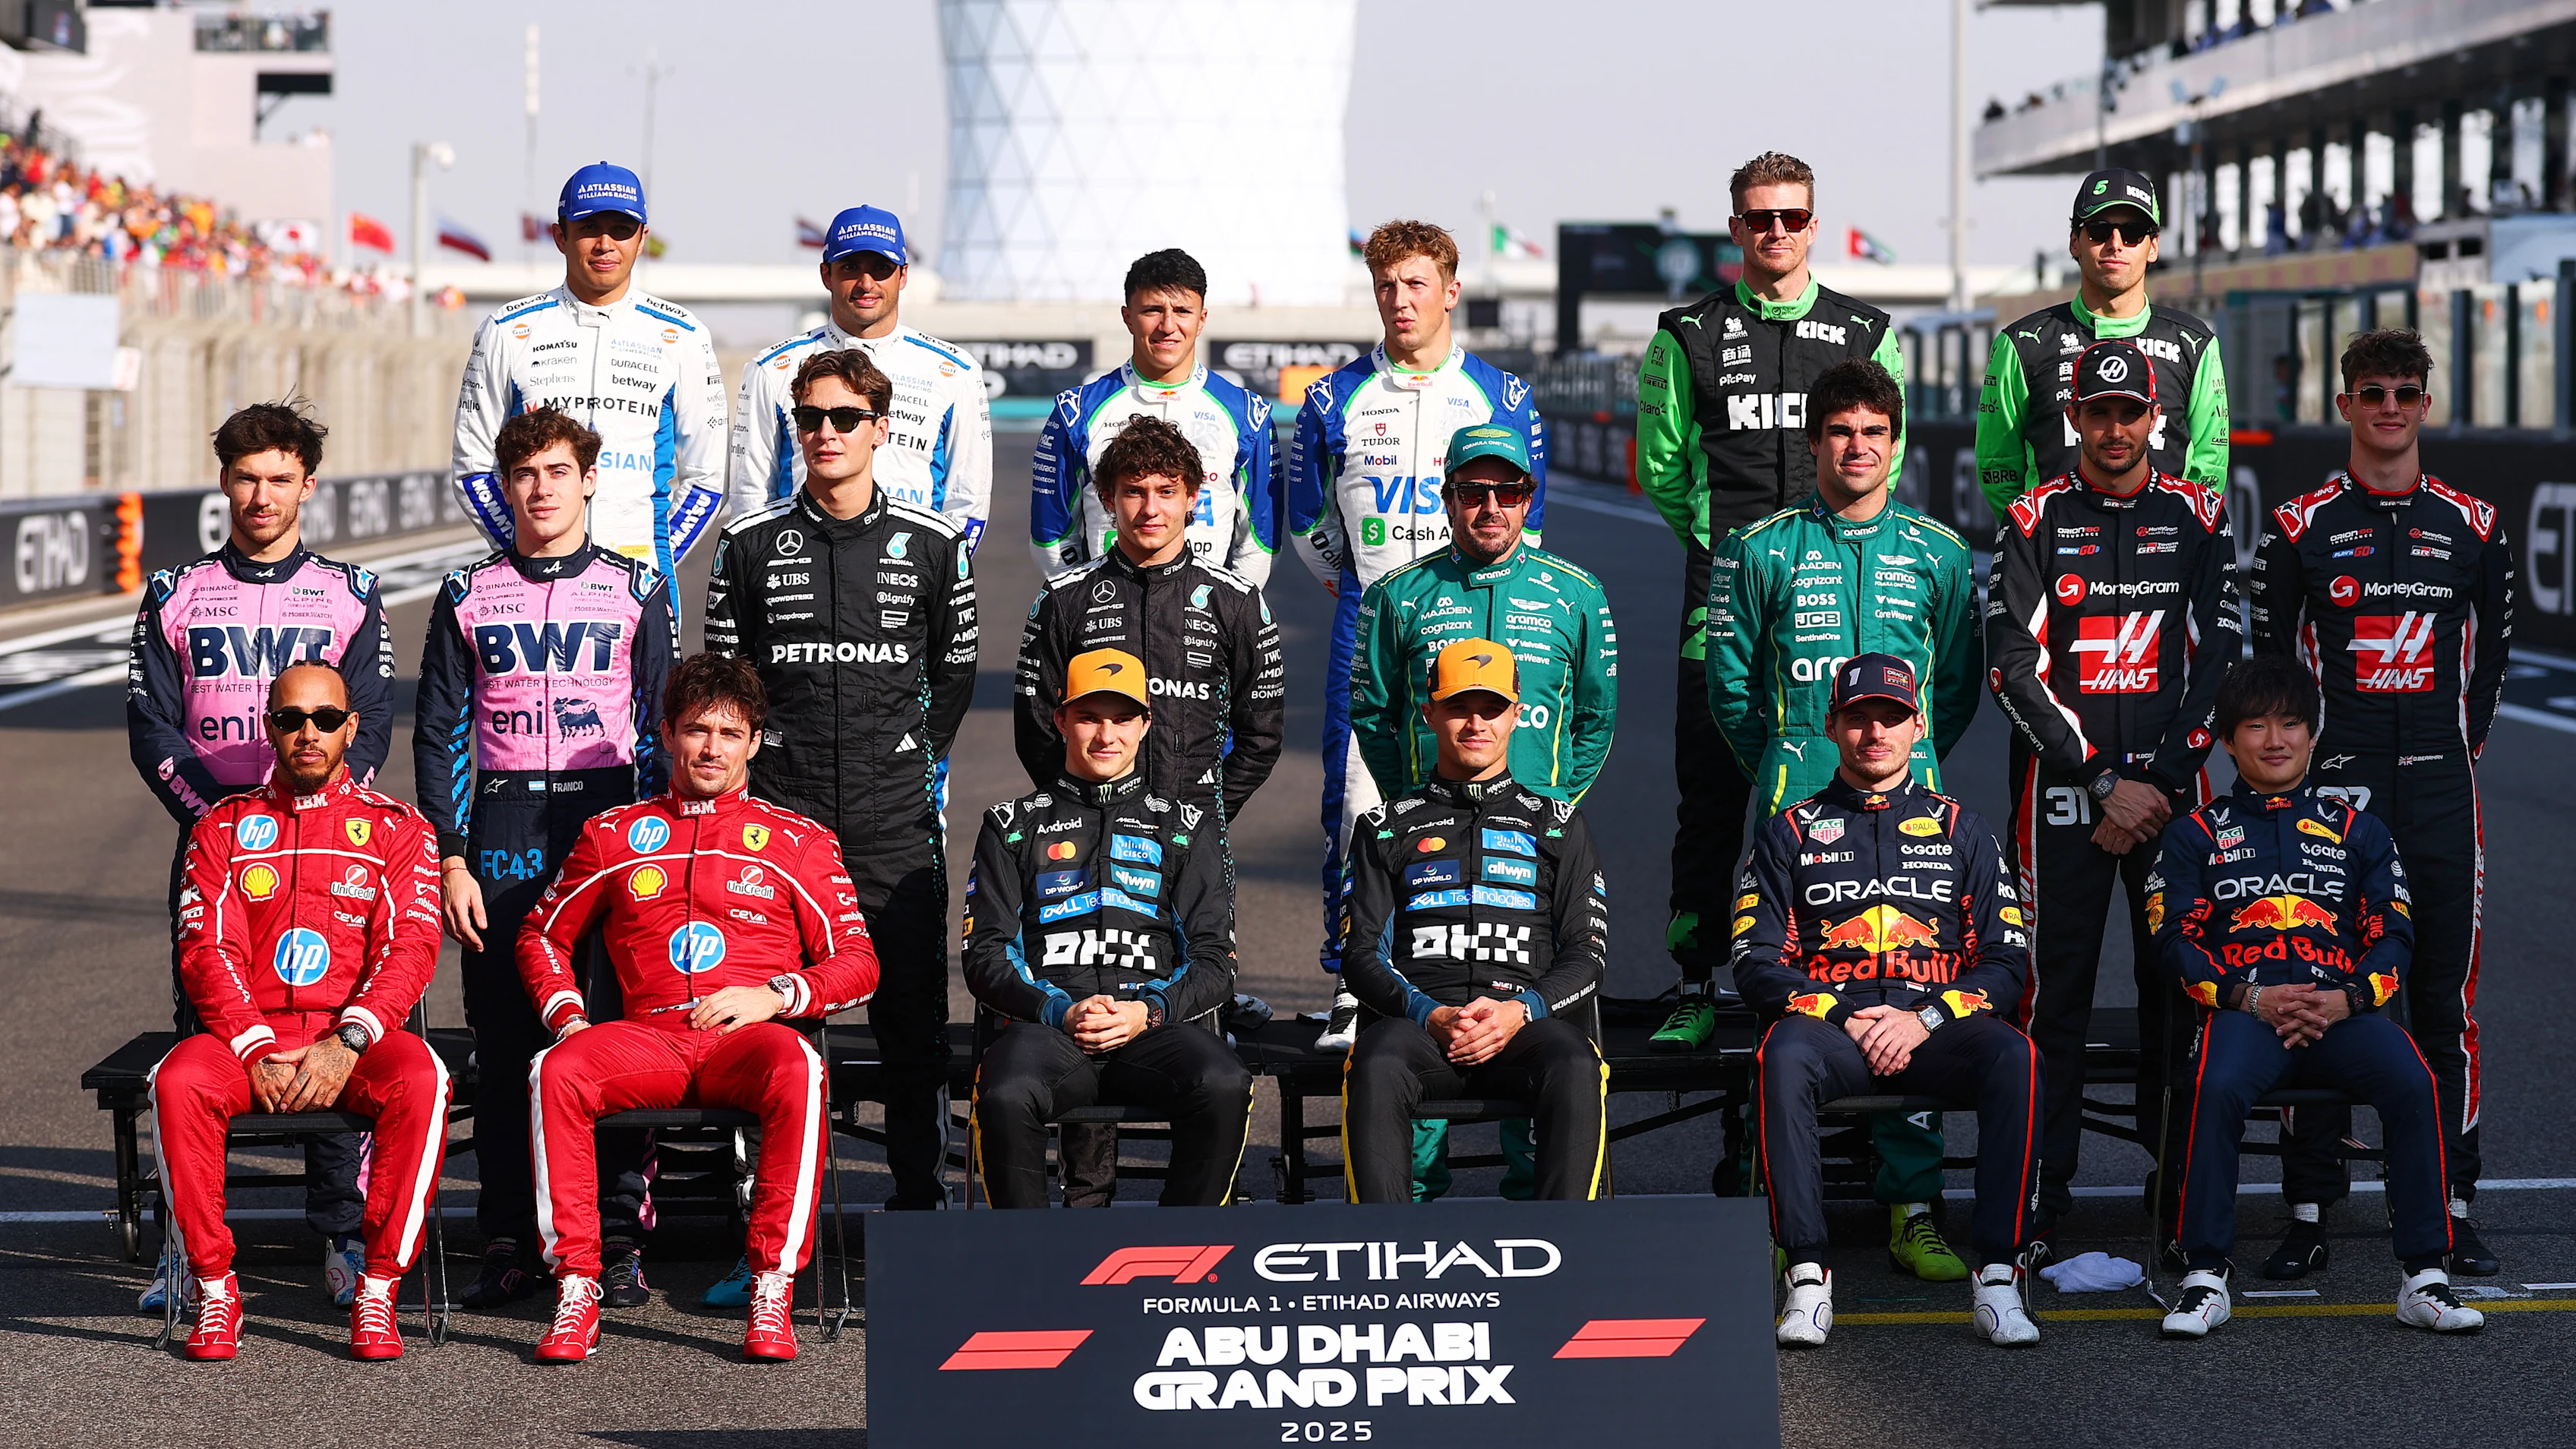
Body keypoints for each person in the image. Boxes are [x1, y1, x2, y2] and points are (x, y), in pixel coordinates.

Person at [516, 653, 879, 1364]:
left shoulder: (799, 841)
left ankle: (772, 1287)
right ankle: (576, 1286)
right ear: (665, 735)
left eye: (729, 733)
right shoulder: (612, 833)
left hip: (749, 1042)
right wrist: (569, 1019)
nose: (712, 748)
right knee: (554, 1070)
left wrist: (775, 995)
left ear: (754, 743)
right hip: (647, 1040)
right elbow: (540, 936)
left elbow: (859, 963)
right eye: (696, 730)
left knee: (800, 1070)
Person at [1705, 358, 1981, 1280]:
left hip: (1913, 806)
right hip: (1794, 801)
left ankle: (1913, 1207)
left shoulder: (1940, 552)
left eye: (1873, 431)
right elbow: (1730, 687)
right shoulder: (1759, 547)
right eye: (1839, 431)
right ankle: (1779, 1209)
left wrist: (1904, 766)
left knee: (1909, 984)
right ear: (1813, 442)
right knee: (1785, 991)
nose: (1856, 447)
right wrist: (1786, 764)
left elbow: (1953, 688)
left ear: (1894, 444)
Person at [2246, 327, 2513, 1280]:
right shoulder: (2297, 525)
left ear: (2425, 403)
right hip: (2332, 792)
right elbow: (2272, 672)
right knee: (2309, 991)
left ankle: (2445, 1203)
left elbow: (2489, 666)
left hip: (2438, 786)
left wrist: (2450, 754)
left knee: (2440, 1003)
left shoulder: (2473, 524)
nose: (2388, 407)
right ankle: (2308, 1207)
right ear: (2344, 406)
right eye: (2372, 392)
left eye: (2404, 391)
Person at [1631, 150, 1908, 1056]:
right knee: (1709, 798)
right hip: (1721, 596)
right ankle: (1694, 981)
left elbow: (1887, 456)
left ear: (1813, 225)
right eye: (1759, 218)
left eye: (1790, 217)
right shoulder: (1685, 334)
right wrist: (1730, 554)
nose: (1775, 231)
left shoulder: (1865, 329)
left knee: (1849, 789)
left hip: (1836, 593)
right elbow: (1661, 469)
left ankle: (1850, 976)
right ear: (1735, 228)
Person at [707, 348, 978, 1254]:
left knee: (911, 1028)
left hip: (893, 819)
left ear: (880, 429)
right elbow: (728, 690)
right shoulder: (748, 546)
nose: (826, 433)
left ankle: (921, 1217)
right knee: (780, 1035)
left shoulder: (934, 546)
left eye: (845, 417)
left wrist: (905, 761)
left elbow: (954, 675)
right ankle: (776, 1240)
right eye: (811, 418)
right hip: (780, 825)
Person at [127, 402, 394, 1315]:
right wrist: (226, 825)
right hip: (217, 846)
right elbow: (152, 728)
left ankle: (342, 1236)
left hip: (327, 844)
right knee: (207, 1033)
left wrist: (305, 820)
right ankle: (186, 1244)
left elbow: (370, 724)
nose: (261, 495)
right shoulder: (175, 592)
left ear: (307, 486)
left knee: (328, 1021)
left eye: (280, 478)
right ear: (224, 482)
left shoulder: (351, 592)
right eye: (245, 477)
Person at [413, 406, 678, 1312]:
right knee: (504, 1043)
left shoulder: (637, 588)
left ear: (589, 480)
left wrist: (656, 845)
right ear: (504, 488)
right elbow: (439, 732)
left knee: (612, 1037)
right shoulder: (467, 593)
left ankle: (615, 1239)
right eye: (525, 475)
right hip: (504, 823)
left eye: (558, 472)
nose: (541, 489)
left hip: (610, 825)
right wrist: (452, 858)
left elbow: (662, 726)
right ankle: (509, 1239)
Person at [1984, 338, 2241, 1255]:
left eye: (2129, 411)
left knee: (2178, 992)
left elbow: (2220, 659)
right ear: (2073, 420)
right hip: (2064, 796)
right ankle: (2038, 1200)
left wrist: (2158, 783)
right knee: (2047, 999)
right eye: (2097, 413)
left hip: (2171, 799)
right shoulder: (2033, 517)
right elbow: (2010, 668)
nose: (2114, 428)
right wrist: (2100, 780)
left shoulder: (2199, 516)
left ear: (2153, 418)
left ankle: (2174, 1195)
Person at [2147, 656, 2484, 1337]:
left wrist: (2350, 1000)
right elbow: (2173, 941)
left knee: (2414, 1080)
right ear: (2228, 740)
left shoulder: (2361, 830)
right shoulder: (2192, 835)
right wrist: (2249, 998)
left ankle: (2426, 1276)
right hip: (2245, 1013)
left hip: (2341, 1014)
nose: (2275, 740)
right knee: (2213, 1084)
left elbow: (2396, 933)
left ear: (2313, 734)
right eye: (2256, 726)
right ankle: (2204, 1276)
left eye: (2291, 724)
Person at [1285, 219, 1547, 1039]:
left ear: (1451, 291)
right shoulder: (1331, 397)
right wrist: (1368, 592)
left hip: (1480, 630)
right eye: (1386, 286)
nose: (1400, 300)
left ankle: (1501, 979)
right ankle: (1354, 983)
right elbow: (1307, 525)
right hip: (1370, 623)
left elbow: (1529, 528)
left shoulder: (1504, 398)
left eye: (1416, 284)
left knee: (1489, 808)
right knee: (1356, 809)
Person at [1734, 654, 2040, 1349]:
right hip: (1834, 1030)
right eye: (1859, 718)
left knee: (2016, 1058)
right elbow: (1755, 962)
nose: (1875, 733)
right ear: (1831, 727)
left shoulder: (1964, 829)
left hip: (1934, 1027)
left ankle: (1999, 1275)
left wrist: (1923, 1018)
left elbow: (2006, 961)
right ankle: (1806, 1275)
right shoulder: (1789, 830)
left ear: (1918, 726)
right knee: (1781, 1055)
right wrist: (1844, 1015)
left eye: (1891, 718)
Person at [1015, 415, 1282, 1203]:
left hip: (1194, 840)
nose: (1150, 508)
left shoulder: (1236, 599)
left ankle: (1199, 1205)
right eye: (1133, 492)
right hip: (1082, 838)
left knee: (1197, 1007)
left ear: (1196, 498)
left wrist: (1203, 816)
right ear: (1106, 500)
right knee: (1091, 999)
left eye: (1167, 491)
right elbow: (1035, 726)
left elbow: (1263, 733)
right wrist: (1086, 810)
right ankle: (1087, 1198)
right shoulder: (1063, 598)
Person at [154, 661, 447, 1361]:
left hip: (353, 1038)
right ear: (269, 728)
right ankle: (214, 1288)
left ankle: (379, 1288)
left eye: (325, 719)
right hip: (247, 1039)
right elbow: (205, 950)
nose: (307, 733)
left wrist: (348, 1041)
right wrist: (255, 1046)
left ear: (351, 727)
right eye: (290, 719)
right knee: (176, 1081)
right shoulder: (222, 827)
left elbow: (411, 948)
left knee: (425, 1078)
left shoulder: (399, 828)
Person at [1325, 419, 1615, 1059]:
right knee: (1412, 1021)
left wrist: (1553, 805)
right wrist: (1412, 802)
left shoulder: (1577, 593)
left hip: (1537, 837)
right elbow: (1371, 712)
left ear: (1528, 499)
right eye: (1472, 492)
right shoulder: (1396, 594)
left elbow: (1597, 717)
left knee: (1547, 1011)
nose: (1490, 507)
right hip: (1423, 838)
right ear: (1448, 498)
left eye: (1507, 493)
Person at [964, 648, 1253, 1208]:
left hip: (1151, 1030)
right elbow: (986, 955)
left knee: (1224, 1083)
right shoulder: (1011, 826)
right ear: (1060, 720)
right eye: (1089, 717)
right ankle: (1024, 1253)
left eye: (1122, 719)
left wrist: (1148, 1012)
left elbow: (1216, 960)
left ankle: (1180, 1245)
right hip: (1049, 1031)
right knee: (1003, 1093)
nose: (1106, 735)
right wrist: (1061, 1011)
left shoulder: (1185, 827)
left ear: (1145, 725)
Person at [1336, 639, 1610, 1203]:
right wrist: (1429, 1014)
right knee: (1376, 1060)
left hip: (1524, 1026)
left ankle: (1567, 1246)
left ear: (1517, 715)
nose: (1476, 724)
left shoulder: (1560, 825)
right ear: (1429, 713)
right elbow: (1359, 955)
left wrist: (1521, 1011)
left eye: (1492, 708)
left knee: (1576, 1062)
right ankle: (1385, 1245)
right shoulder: (1384, 828)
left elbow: (1587, 954)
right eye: (1459, 707)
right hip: (1420, 1028)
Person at [453, 163, 728, 582]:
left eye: (621, 230)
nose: (605, 244)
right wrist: (531, 547)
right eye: (589, 228)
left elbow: (707, 478)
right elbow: (473, 465)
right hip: (533, 575)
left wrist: (651, 560)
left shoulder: (684, 336)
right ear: (560, 236)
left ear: (642, 239)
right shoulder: (506, 330)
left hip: (640, 580)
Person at [728, 204, 993, 552]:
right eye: (850, 267)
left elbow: (968, 502)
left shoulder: (955, 371)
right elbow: (749, 499)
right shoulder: (771, 368)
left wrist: (937, 573)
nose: (866, 284)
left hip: (911, 569)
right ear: (826, 274)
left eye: (881, 268)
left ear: (903, 275)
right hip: (800, 562)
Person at [1977, 169, 2228, 516]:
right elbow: (1997, 468)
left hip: (2164, 545)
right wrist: (2037, 537)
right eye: (2098, 230)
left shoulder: (2195, 343)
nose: (2115, 244)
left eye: (2133, 232)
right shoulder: (2021, 344)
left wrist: (2174, 536)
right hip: (2055, 547)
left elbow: (2209, 467)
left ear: (2153, 247)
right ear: (2074, 242)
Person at [1030, 248, 1277, 586]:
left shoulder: (1248, 414)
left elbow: (1260, 542)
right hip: (1103, 604)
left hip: (1207, 608)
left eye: (1182, 311)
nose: (1168, 326)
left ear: (1202, 319)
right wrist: (1083, 601)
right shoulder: (1076, 412)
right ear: (1128, 317)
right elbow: (1051, 535)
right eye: (1152, 310)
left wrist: (1226, 607)